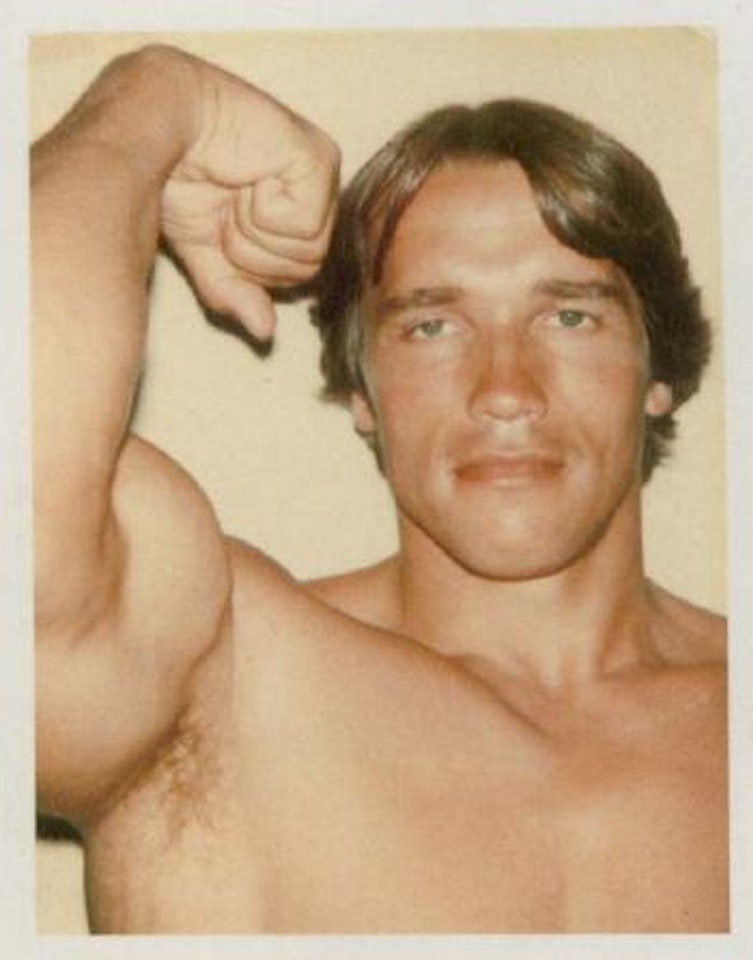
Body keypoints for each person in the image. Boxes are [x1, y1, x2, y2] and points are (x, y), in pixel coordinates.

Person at [33, 44, 727, 934]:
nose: (505, 390)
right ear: (361, 390)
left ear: (656, 370)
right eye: (432, 325)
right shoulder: (222, 679)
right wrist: (149, 100)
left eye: (568, 315)